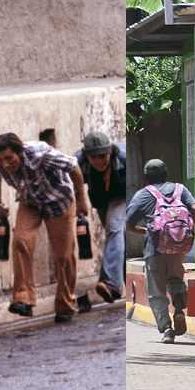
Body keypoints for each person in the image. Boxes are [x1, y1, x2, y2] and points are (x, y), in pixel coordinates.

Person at [0, 132, 89, 323]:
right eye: (0, 160)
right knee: (20, 241)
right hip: (30, 202)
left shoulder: (41, 154)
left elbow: (74, 166)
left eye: (9, 158)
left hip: (59, 201)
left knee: (64, 256)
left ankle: (65, 305)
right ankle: (23, 298)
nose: (5, 164)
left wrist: (82, 199)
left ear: (20, 152)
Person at [126, 159, 195, 343]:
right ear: (166, 173)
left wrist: (144, 231)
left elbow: (128, 224)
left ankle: (167, 328)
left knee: (156, 290)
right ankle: (180, 310)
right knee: (176, 280)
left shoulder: (143, 194)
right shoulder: (180, 189)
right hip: (178, 247)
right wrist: (186, 231)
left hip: (154, 248)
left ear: (147, 177)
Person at [75, 131, 127, 305]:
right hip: (101, 199)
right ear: (86, 156)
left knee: (114, 228)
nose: (99, 161)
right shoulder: (77, 163)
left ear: (110, 152)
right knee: (117, 237)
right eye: (93, 157)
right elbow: (66, 183)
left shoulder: (125, 157)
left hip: (122, 195)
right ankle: (119, 289)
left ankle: (110, 283)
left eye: (103, 155)